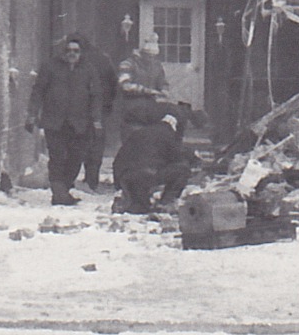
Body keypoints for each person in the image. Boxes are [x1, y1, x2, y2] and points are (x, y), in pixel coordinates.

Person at [25, 35, 104, 206]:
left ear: (81, 53)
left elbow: (96, 96)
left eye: (76, 51)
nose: (71, 54)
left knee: (76, 158)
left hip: (79, 123)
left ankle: (64, 189)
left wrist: (96, 119)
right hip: (55, 121)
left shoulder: (89, 70)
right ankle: (58, 193)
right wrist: (32, 114)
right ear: (63, 52)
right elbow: (38, 91)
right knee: (57, 157)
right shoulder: (50, 67)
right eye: (68, 50)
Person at [111, 98, 194, 215]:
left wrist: (119, 185)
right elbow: (177, 159)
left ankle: (127, 197)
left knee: (139, 208)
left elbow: (118, 161)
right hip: (148, 175)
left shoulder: (138, 133)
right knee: (182, 170)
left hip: (128, 177)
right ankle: (165, 203)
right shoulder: (169, 136)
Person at [77, 37, 119, 191]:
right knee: (96, 144)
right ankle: (91, 179)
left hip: (78, 108)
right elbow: (114, 83)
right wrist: (108, 103)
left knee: (78, 141)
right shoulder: (103, 59)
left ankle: (71, 180)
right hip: (99, 108)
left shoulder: (76, 59)